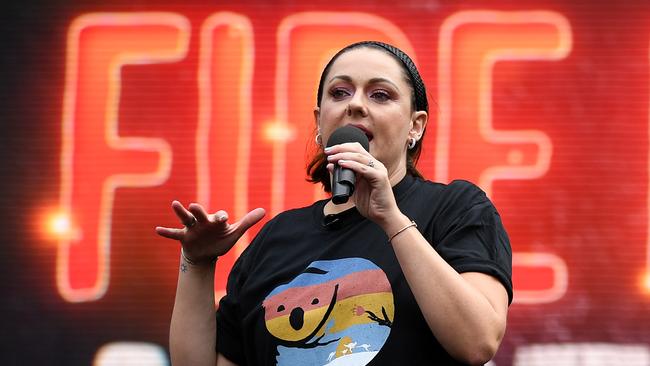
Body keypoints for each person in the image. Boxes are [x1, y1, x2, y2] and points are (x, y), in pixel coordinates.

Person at [156, 40, 512, 366]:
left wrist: (391, 219)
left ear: (415, 127)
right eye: (339, 92)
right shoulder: (277, 237)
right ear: (318, 122)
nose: (355, 104)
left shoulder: (455, 207)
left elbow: (477, 342)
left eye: (381, 95)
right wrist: (198, 263)